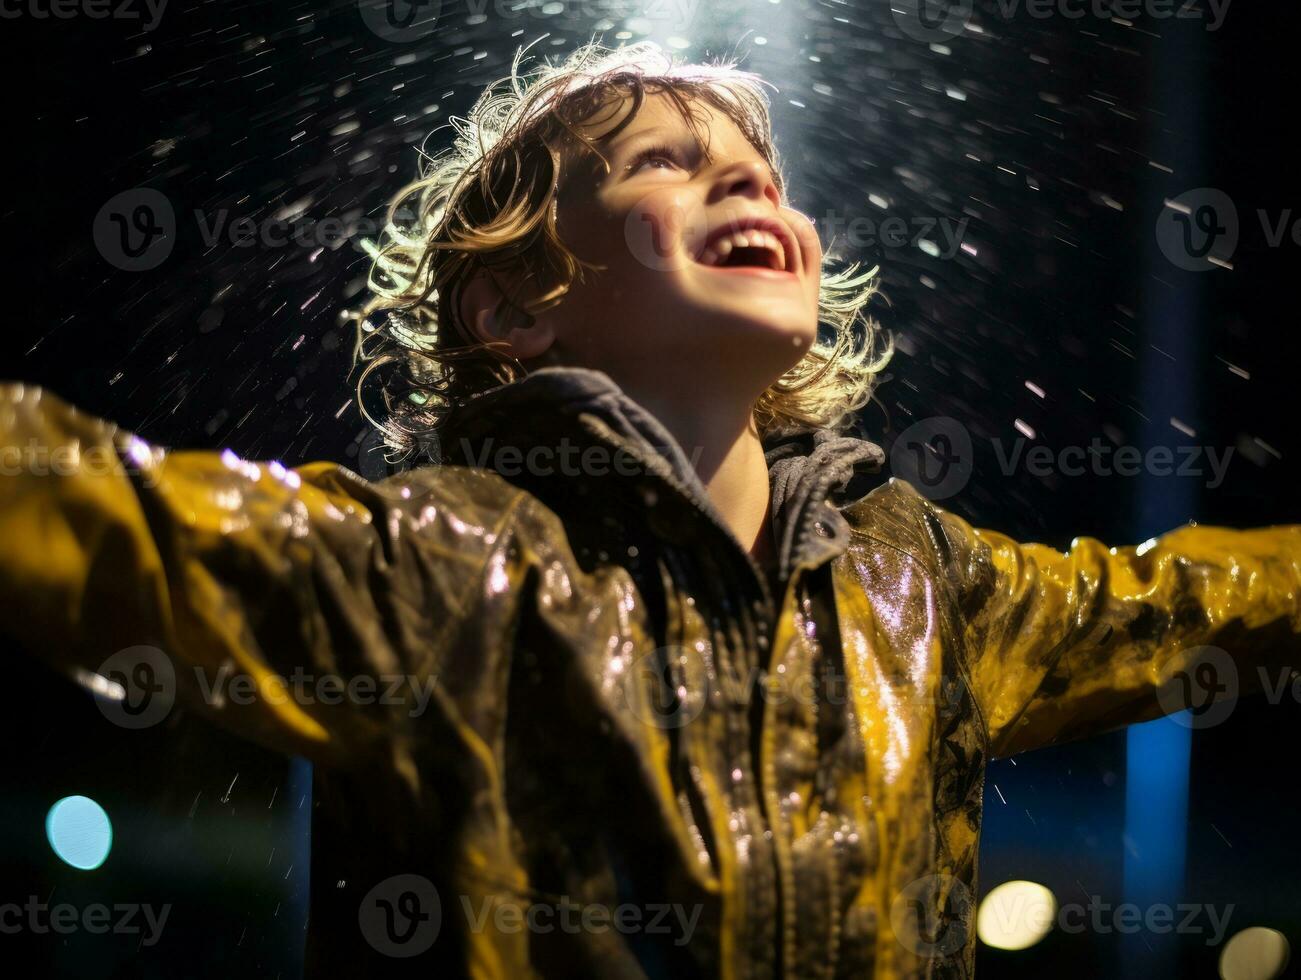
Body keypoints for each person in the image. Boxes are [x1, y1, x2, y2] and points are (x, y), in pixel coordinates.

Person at [1, 42, 1297, 979]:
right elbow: (105, 513)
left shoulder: (923, 580)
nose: (745, 186)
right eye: (665, 166)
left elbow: (1198, 599)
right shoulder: (441, 570)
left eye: (758, 172)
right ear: (515, 304)